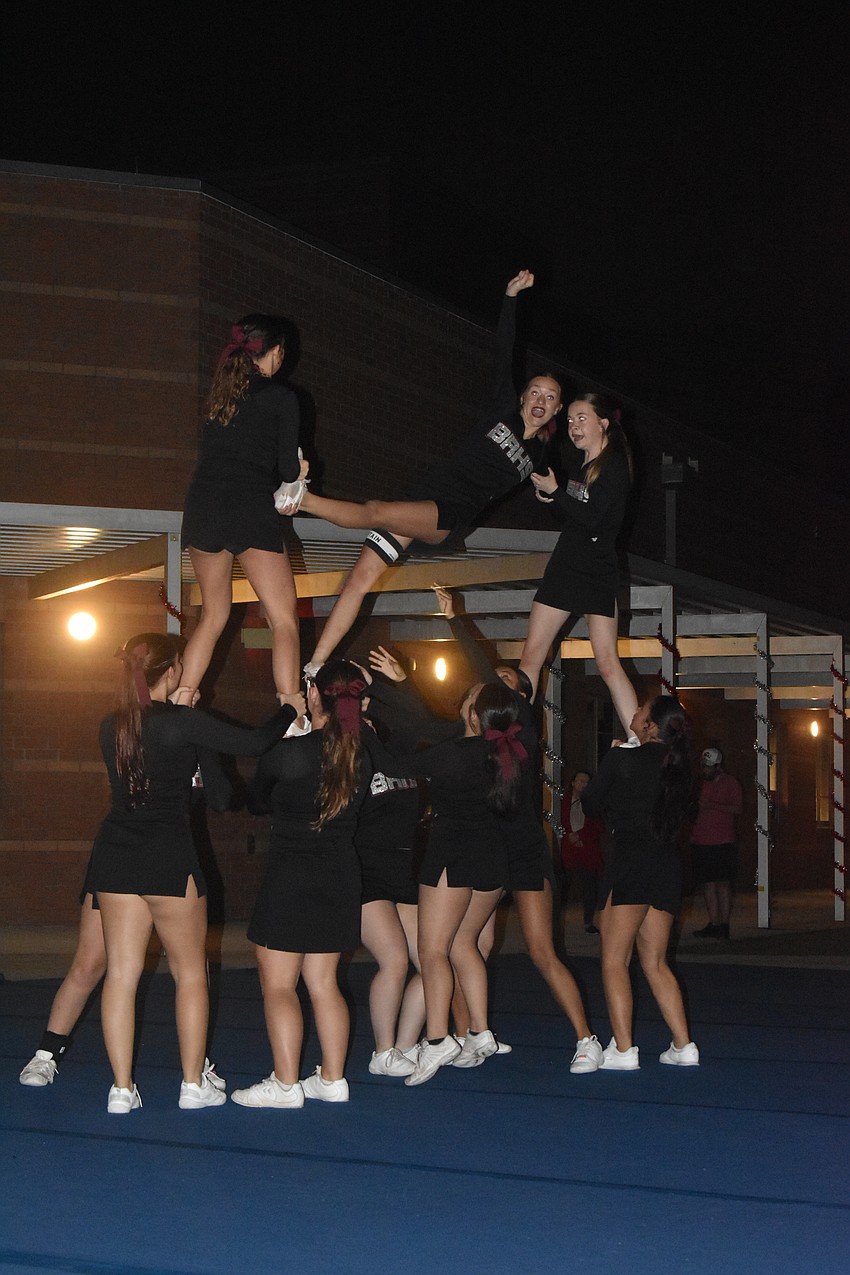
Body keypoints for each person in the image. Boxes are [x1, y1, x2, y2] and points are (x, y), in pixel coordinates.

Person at [288, 271, 561, 676]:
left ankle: (302, 499)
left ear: (556, 411)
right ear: (522, 397)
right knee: (359, 579)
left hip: (450, 513)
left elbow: (556, 491)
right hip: (426, 493)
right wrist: (509, 297)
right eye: (535, 391)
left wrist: (550, 494)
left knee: (377, 508)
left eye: (550, 397)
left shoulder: (541, 455)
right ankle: (315, 664)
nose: (540, 399)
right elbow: (506, 351)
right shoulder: (503, 406)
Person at [88, 633, 301, 1113]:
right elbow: (254, 740)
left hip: (117, 857)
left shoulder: (111, 724)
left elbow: (156, 742)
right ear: (171, 669)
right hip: (169, 858)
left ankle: (121, 1088)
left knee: (121, 975)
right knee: (190, 973)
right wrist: (288, 707)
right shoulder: (182, 723)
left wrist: (186, 717)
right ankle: (191, 1084)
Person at [368, 641, 602, 1076]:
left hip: (509, 854)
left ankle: (580, 1038)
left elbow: (409, 745)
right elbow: (432, 728)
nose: (489, 685)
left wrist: (388, 693)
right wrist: (403, 685)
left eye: (501, 683)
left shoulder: (515, 738)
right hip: (491, 857)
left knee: (519, 950)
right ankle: (472, 1033)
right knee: (463, 945)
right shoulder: (499, 749)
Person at [233, 662, 374, 1108]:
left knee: (278, 984)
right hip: (339, 874)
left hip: (292, 873)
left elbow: (254, 800)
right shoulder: (361, 754)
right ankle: (332, 1078)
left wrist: (286, 737)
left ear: (314, 696)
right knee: (323, 982)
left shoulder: (290, 752)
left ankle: (286, 1082)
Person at [176, 315, 306, 706]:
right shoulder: (283, 397)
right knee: (282, 618)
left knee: (214, 615)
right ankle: (292, 709)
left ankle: (182, 698)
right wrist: (300, 469)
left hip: (202, 508)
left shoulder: (219, 394)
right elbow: (285, 470)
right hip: (248, 507)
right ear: (277, 351)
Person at [582, 696, 700, 1070]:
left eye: (640, 711)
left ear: (650, 726)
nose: (632, 714)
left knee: (615, 959)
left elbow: (590, 802)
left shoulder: (622, 758)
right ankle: (683, 1045)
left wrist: (614, 757)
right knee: (656, 962)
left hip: (631, 861)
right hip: (666, 865)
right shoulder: (679, 768)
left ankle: (623, 1048)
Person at [519, 391, 639, 742]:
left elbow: (594, 518)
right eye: (569, 420)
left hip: (594, 570)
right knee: (532, 657)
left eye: (581, 418)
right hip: (571, 566)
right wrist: (553, 496)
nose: (573, 426)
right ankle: (517, 735)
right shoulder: (586, 467)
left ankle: (639, 740)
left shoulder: (614, 464)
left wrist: (557, 493)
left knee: (607, 662)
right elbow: (579, 514)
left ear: (603, 423)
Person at [690, 746, 743, 939]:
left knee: (723, 883)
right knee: (708, 883)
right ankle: (714, 922)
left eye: (709, 767)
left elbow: (737, 808)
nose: (706, 770)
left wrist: (712, 806)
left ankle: (724, 924)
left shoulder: (730, 783)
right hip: (701, 839)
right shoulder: (698, 783)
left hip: (723, 840)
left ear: (718, 766)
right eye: (704, 766)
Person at [561, 770, 604, 934]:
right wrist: (569, 834)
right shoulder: (564, 801)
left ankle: (588, 921)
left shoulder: (593, 802)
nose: (583, 785)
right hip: (569, 847)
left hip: (587, 848)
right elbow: (561, 819)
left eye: (586, 782)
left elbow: (598, 826)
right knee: (565, 882)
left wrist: (580, 836)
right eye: (580, 781)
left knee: (589, 886)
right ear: (573, 783)